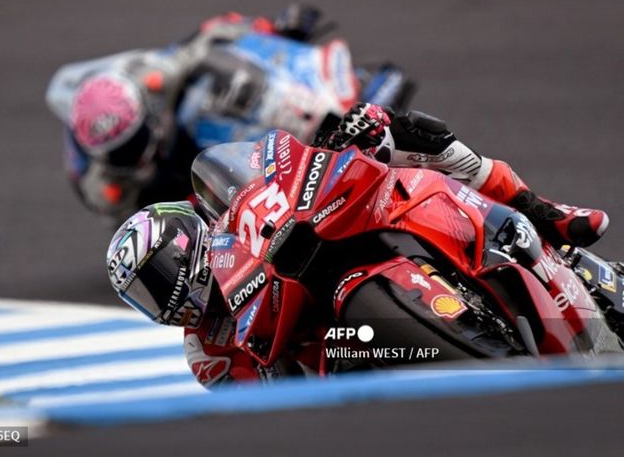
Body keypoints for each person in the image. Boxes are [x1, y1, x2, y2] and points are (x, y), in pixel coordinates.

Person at [106, 103, 610, 388]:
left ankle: (549, 216)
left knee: (414, 135)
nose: (165, 294)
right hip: (339, 357)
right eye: (148, 295)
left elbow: (268, 181)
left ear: (188, 239)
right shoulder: (205, 352)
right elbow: (262, 407)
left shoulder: (228, 228)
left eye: (162, 272)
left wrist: (348, 134)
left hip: (320, 256)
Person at [46, 5, 339, 225]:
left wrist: (274, 29)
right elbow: (144, 224)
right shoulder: (106, 188)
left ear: (145, 110)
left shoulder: (154, 78)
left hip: (196, 127)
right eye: (126, 150)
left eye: (137, 140)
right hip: (168, 187)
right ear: (105, 155)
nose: (138, 151)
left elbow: (211, 34)